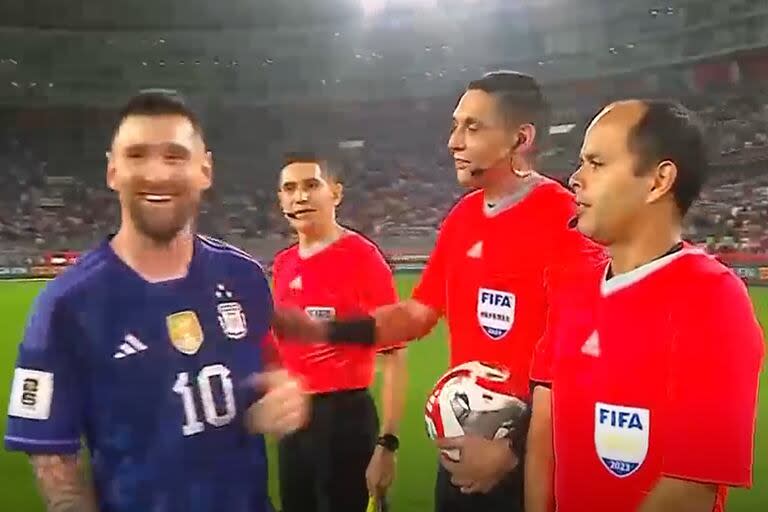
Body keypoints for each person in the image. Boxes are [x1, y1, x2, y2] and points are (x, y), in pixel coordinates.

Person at [273, 71, 605, 512]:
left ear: (520, 138)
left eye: (473, 127)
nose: (454, 142)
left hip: (532, 457)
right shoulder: (463, 217)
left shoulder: (565, 221)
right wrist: (329, 331)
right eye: (455, 126)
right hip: (460, 444)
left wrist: (513, 449)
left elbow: (589, 356)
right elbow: (418, 312)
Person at [4, 90, 308, 512]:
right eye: (137, 155)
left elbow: (265, 366)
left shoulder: (244, 276)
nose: (156, 174)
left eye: (174, 156)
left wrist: (280, 392)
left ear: (205, 170)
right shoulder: (66, 306)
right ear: (112, 170)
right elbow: (53, 458)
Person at [526, 100, 764, 512]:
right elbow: (544, 438)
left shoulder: (712, 298)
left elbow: (690, 487)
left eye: (596, 163)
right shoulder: (572, 286)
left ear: (658, 181)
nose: (575, 179)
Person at [272, 155, 407, 512]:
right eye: (289, 189)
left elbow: (393, 355)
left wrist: (387, 444)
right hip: (294, 418)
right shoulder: (284, 264)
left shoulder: (363, 257)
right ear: (280, 200)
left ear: (335, 192)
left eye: (310, 185)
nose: (299, 197)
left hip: (344, 417)